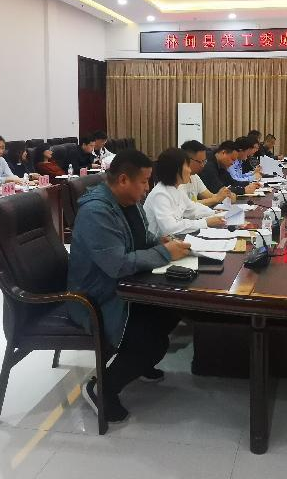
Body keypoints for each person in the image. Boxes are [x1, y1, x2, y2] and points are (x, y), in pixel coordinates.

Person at [67, 150, 192, 422]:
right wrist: (165, 253)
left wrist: (160, 242)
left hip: (122, 288)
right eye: (144, 182)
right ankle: (102, 388)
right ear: (123, 179)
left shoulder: (128, 202)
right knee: (153, 342)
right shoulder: (96, 212)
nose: (147, 188)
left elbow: (141, 238)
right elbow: (117, 264)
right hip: (96, 298)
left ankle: (136, 364)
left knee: (172, 310)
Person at [143, 148, 226, 236]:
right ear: (175, 169)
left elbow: (192, 208)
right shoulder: (160, 194)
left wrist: (214, 213)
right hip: (160, 241)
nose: (190, 170)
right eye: (187, 166)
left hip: (173, 239)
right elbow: (170, 228)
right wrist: (205, 222)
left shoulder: (178, 188)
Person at [180, 140, 232, 208]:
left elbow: (210, 196)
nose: (203, 165)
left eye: (204, 161)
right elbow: (186, 205)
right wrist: (216, 199)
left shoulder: (195, 177)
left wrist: (225, 196)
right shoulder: (177, 180)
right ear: (187, 160)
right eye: (200, 162)